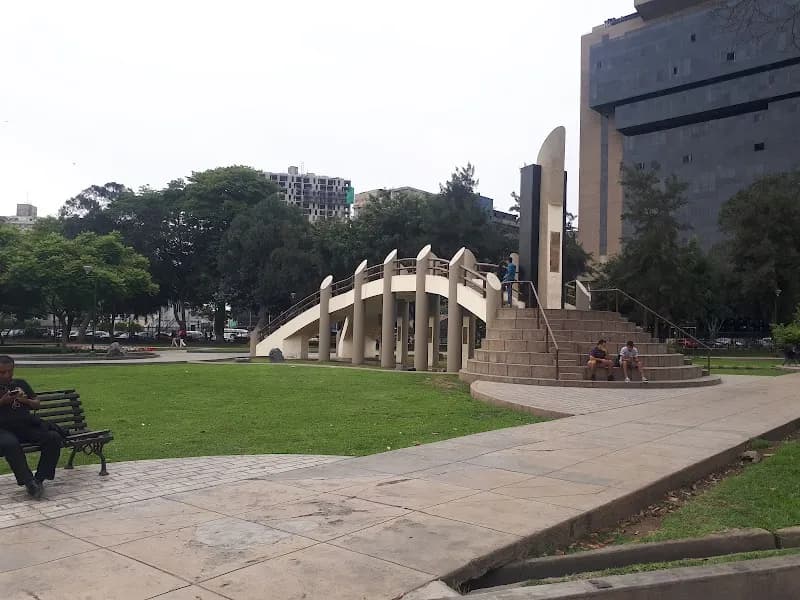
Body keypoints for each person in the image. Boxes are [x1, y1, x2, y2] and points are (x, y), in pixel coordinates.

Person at [0, 355, 63, 499]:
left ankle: (39, 479)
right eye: (2, 372)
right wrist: (3, 401)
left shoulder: (20, 383)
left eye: (10, 371)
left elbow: (37, 404)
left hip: (25, 425)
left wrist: (24, 400)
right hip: (2, 429)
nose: (7, 375)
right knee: (10, 444)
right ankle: (29, 482)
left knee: (53, 437)